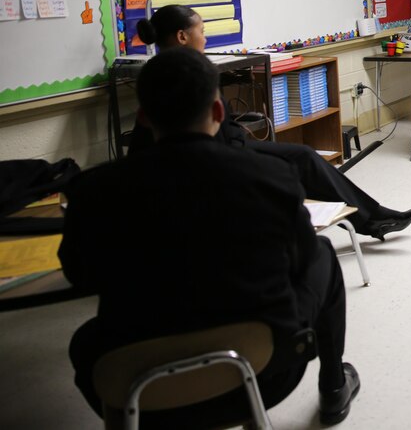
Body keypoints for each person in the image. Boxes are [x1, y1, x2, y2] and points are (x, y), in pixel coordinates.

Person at [61, 49, 360, 426]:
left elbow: (79, 275)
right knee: (322, 253)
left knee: (85, 341)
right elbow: (300, 260)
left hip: (134, 386)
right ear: (219, 112)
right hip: (265, 374)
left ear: (143, 117)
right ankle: (333, 388)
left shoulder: (93, 191)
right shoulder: (270, 176)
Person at [133, 5, 411, 241]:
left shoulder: (156, 73)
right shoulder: (196, 73)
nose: (205, 39)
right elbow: (219, 133)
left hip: (215, 151)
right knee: (302, 159)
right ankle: (373, 218)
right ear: (183, 36)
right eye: (202, 32)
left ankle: (373, 217)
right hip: (219, 158)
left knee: (303, 159)